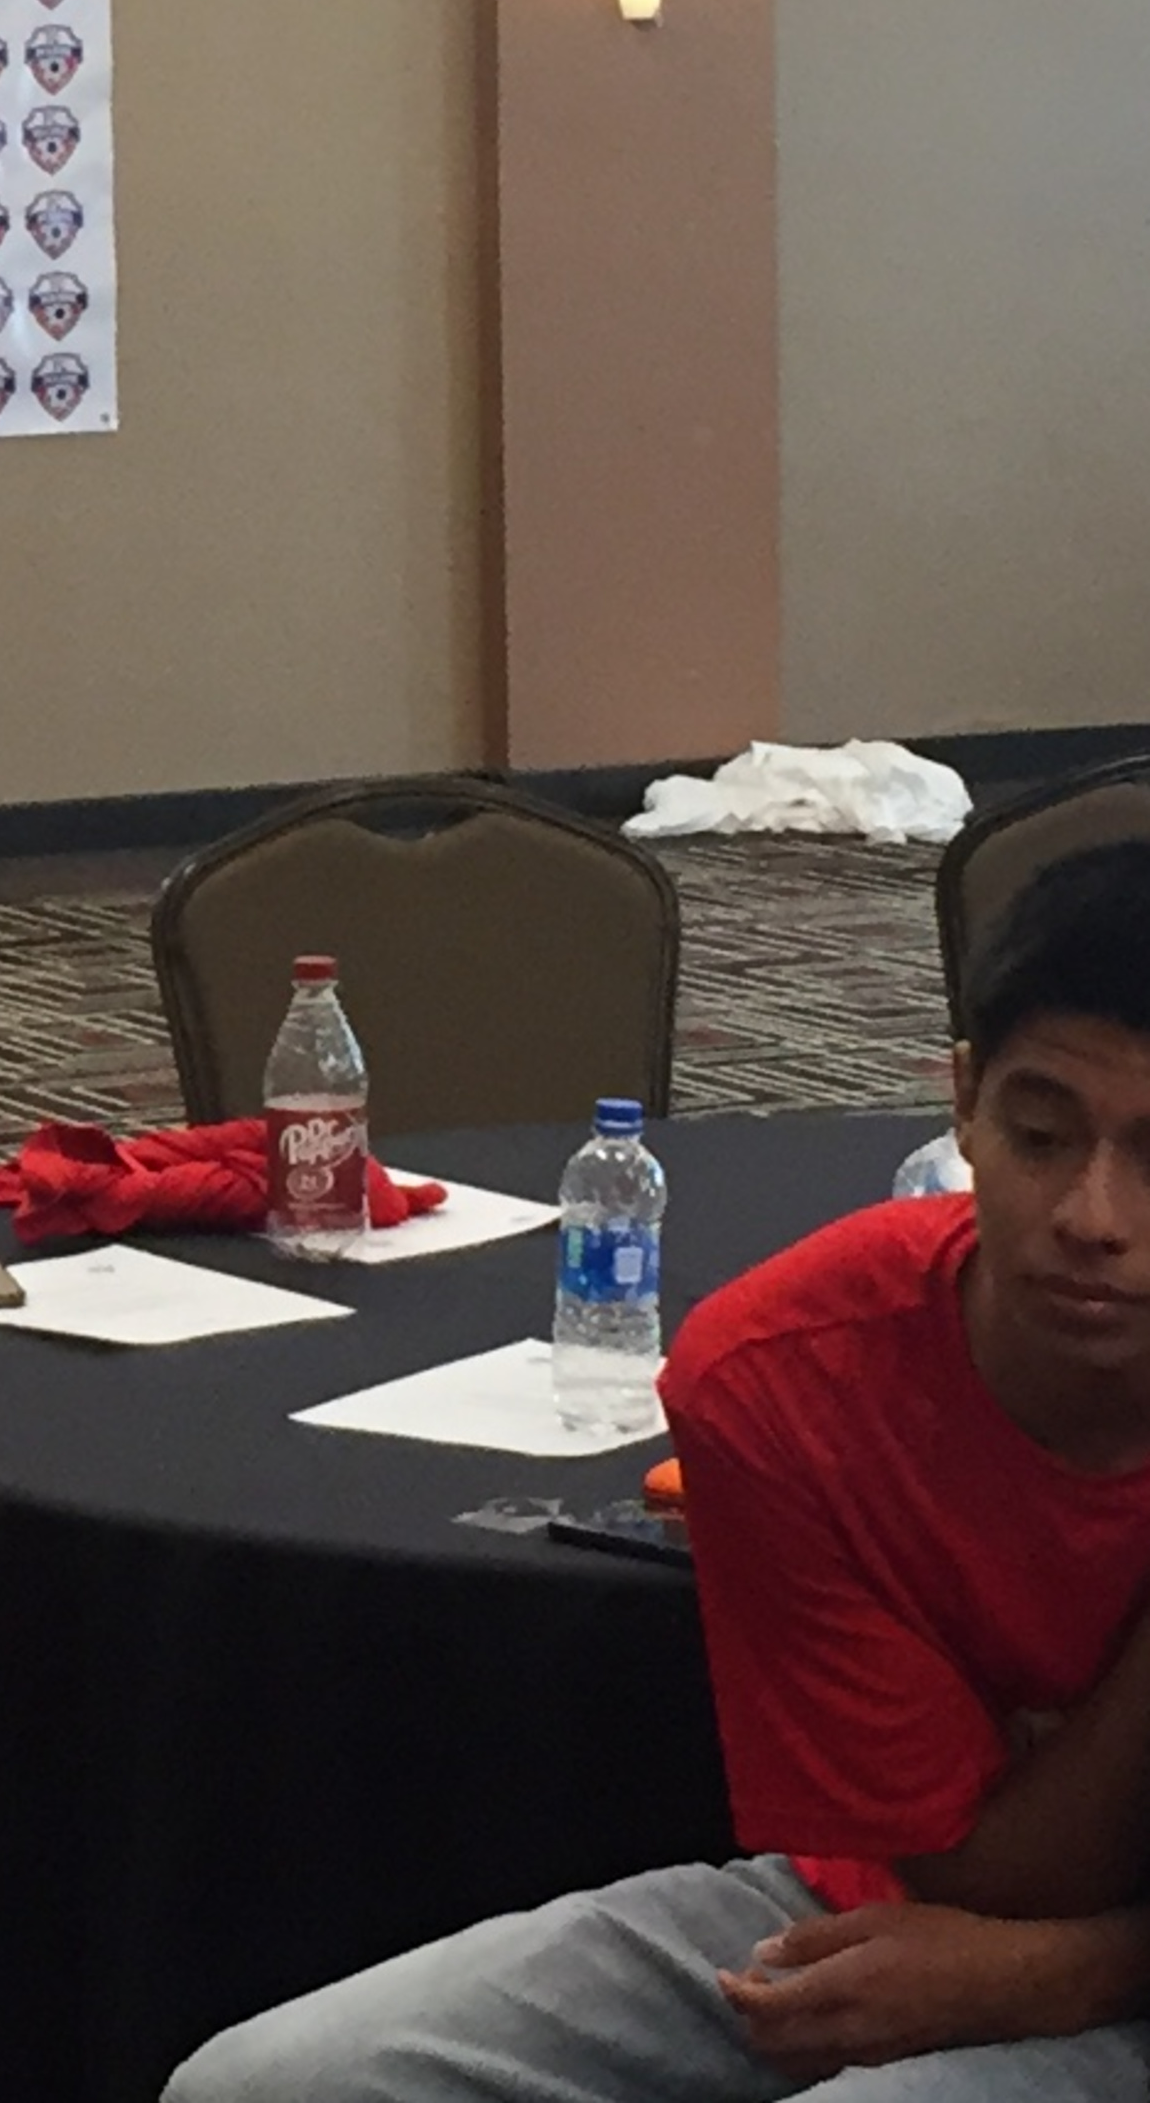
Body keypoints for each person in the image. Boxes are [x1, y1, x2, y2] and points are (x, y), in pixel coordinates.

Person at [166, 835, 1150, 2101]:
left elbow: (1025, 1933)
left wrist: (1066, 1978)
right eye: (1041, 1136)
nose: (1091, 1218)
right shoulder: (785, 1371)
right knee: (266, 2087)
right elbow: (977, 1876)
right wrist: (1029, 1962)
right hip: (902, 1898)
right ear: (963, 1101)